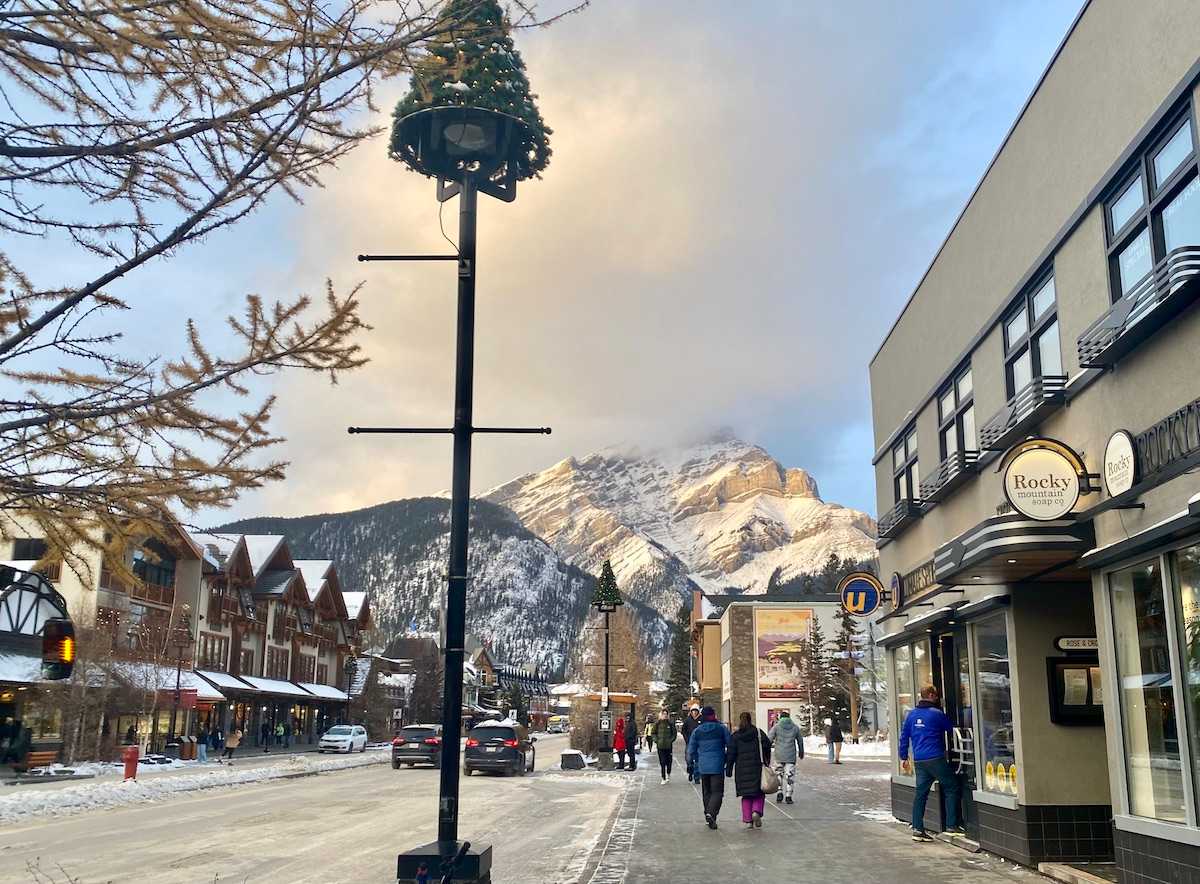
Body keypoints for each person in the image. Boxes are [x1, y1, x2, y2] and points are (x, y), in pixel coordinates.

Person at [900, 685, 965, 842]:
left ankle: (917, 828)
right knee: (951, 787)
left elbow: (904, 737)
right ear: (930, 695)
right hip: (936, 758)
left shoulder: (911, 715)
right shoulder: (936, 714)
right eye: (935, 695)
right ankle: (951, 826)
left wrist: (903, 756)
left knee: (921, 794)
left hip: (920, 760)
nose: (937, 698)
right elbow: (950, 729)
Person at [687, 706, 731, 830]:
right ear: (714, 715)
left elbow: (691, 749)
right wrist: (727, 758)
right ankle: (711, 813)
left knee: (706, 792)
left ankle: (708, 814)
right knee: (717, 792)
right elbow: (730, 744)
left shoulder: (697, 731)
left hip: (703, 766)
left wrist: (693, 761)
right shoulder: (721, 729)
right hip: (717, 765)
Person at [726, 712, 772, 829]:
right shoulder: (758, 733)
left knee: (746, 795)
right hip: (757, 766)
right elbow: (767, 746)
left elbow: (731, 753)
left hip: (742, 769)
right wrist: (767, 761)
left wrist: (729, 768)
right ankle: (756, 811)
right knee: (758, 793)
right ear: (750, 720)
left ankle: (748, 820)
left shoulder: (735, 736)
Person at [767, 710, 803, 804]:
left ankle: (779, 792)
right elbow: (800, 741)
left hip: (779, 755)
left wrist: (766, 750)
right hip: (790, 756)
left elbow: (769, 739)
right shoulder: (795, 727)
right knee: (790, 775)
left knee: (779, 774)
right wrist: (801, 752)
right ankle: (788, 796)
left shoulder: (776, 727)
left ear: (781, 718)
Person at [652, 709, 677, 785]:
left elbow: (674, 734)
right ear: (661, 715)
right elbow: (653, 733)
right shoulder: (657, 723)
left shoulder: (670, 724)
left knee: (668, 762)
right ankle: (663, 777)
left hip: (668, 747)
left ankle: (668, 773)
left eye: (666, 714)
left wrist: (670, 740)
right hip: (660, 746)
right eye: (663, 714)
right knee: (662, 762)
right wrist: (656, 740)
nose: (665, 715)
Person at [681, 707, 702, 783]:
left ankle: (697, 777)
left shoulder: (701, 719)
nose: (694, 713)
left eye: (696, 711)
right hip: (689, 742)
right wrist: (686, 739)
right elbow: (683, 731)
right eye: (693, 711)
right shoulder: (688, 720)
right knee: (689, 758)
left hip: (699, 743)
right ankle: (690, 771)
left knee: (698, 760)